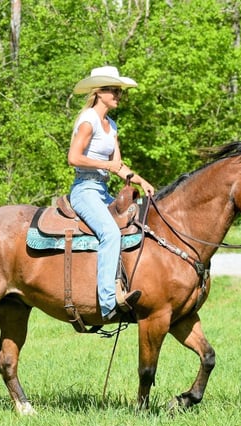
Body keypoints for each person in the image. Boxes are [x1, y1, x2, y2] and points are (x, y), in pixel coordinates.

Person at [67, 65, 156, 321]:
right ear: (99, 92)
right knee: (109, 232)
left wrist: (141, 181)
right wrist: (105, 165)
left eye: (119, 91)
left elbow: (119, 166)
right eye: (114, 91)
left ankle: (127, 287)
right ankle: (108, 303)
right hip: (85, 190)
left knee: (136, 227)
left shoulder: (112, 125)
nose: (118, 95)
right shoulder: (88, 121)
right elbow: (73, 157)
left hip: (103, 190)